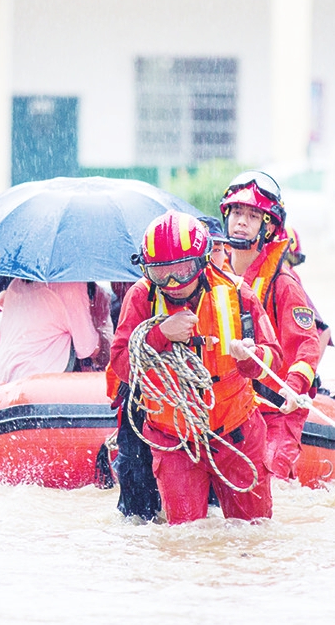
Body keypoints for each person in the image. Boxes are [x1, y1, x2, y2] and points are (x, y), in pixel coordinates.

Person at [110, 212, 281, 524]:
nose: (174, 284)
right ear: (149, 271)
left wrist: (250, 357)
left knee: (254, 534)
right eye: (163, 273)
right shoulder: (142, 297)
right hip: (173, 440)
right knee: (185, 541)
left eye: (183, 270)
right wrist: (160, 334)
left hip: (237, 435)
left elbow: (273, 360)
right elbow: (122, 364)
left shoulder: (237, 295)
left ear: (202, 261)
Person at [221, 171, 329, 481]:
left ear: (268, 228)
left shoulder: (283, 283)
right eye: (237, 212)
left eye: (253, 216)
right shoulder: (215, 277)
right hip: (230, 408)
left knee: (268, 481)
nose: (242, 221)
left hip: (277, 408)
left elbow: (308, 345)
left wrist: (292, 388)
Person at [0, 279, 107, 392]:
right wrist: (98, 321)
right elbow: (89, 348)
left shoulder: (15, 285)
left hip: (6, 391)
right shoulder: (71, 285)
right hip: (41, 392)